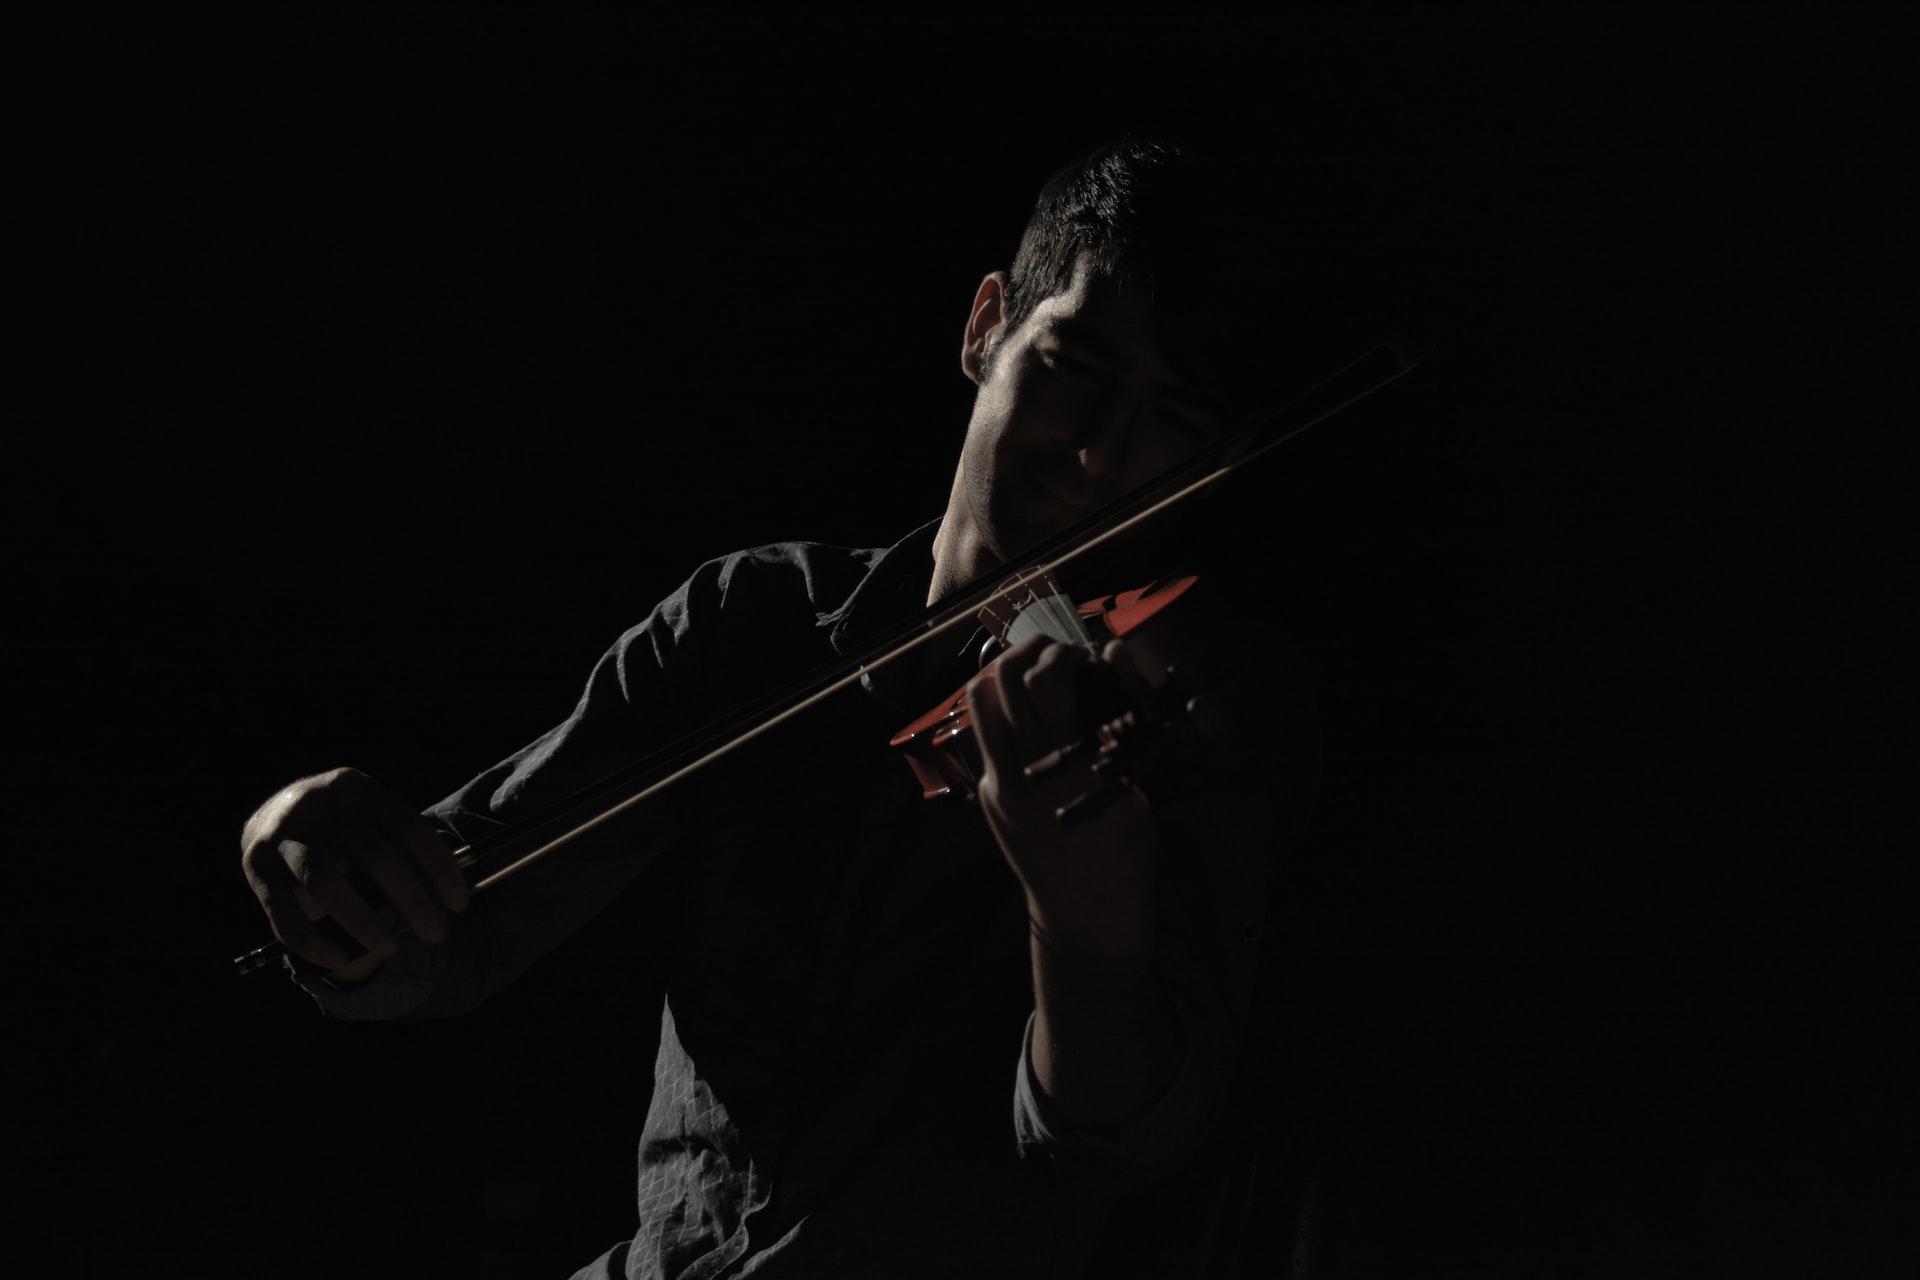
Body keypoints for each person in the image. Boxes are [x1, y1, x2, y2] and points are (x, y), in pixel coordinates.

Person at [240, 137, 1342, 1277]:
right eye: (1079, 365)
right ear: (986, 328)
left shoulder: (1200, 717)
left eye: (1171, 418)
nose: (1102, 455)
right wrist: (320, 868)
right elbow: (458, 922)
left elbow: (1109, 1146)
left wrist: (1085, 928)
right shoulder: (749, 621)